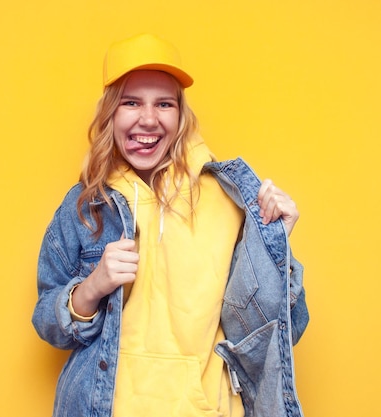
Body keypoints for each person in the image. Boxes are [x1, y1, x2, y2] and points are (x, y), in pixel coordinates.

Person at [32, 33, 309, 417]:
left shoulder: (227, 199)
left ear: (180, 115)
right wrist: (93, 287)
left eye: (164, 103)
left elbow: (278, 336)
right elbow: (49, 323)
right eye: (131, 102)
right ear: (110, 113)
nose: (149, 119)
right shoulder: (85, 206)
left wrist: (274, 248)